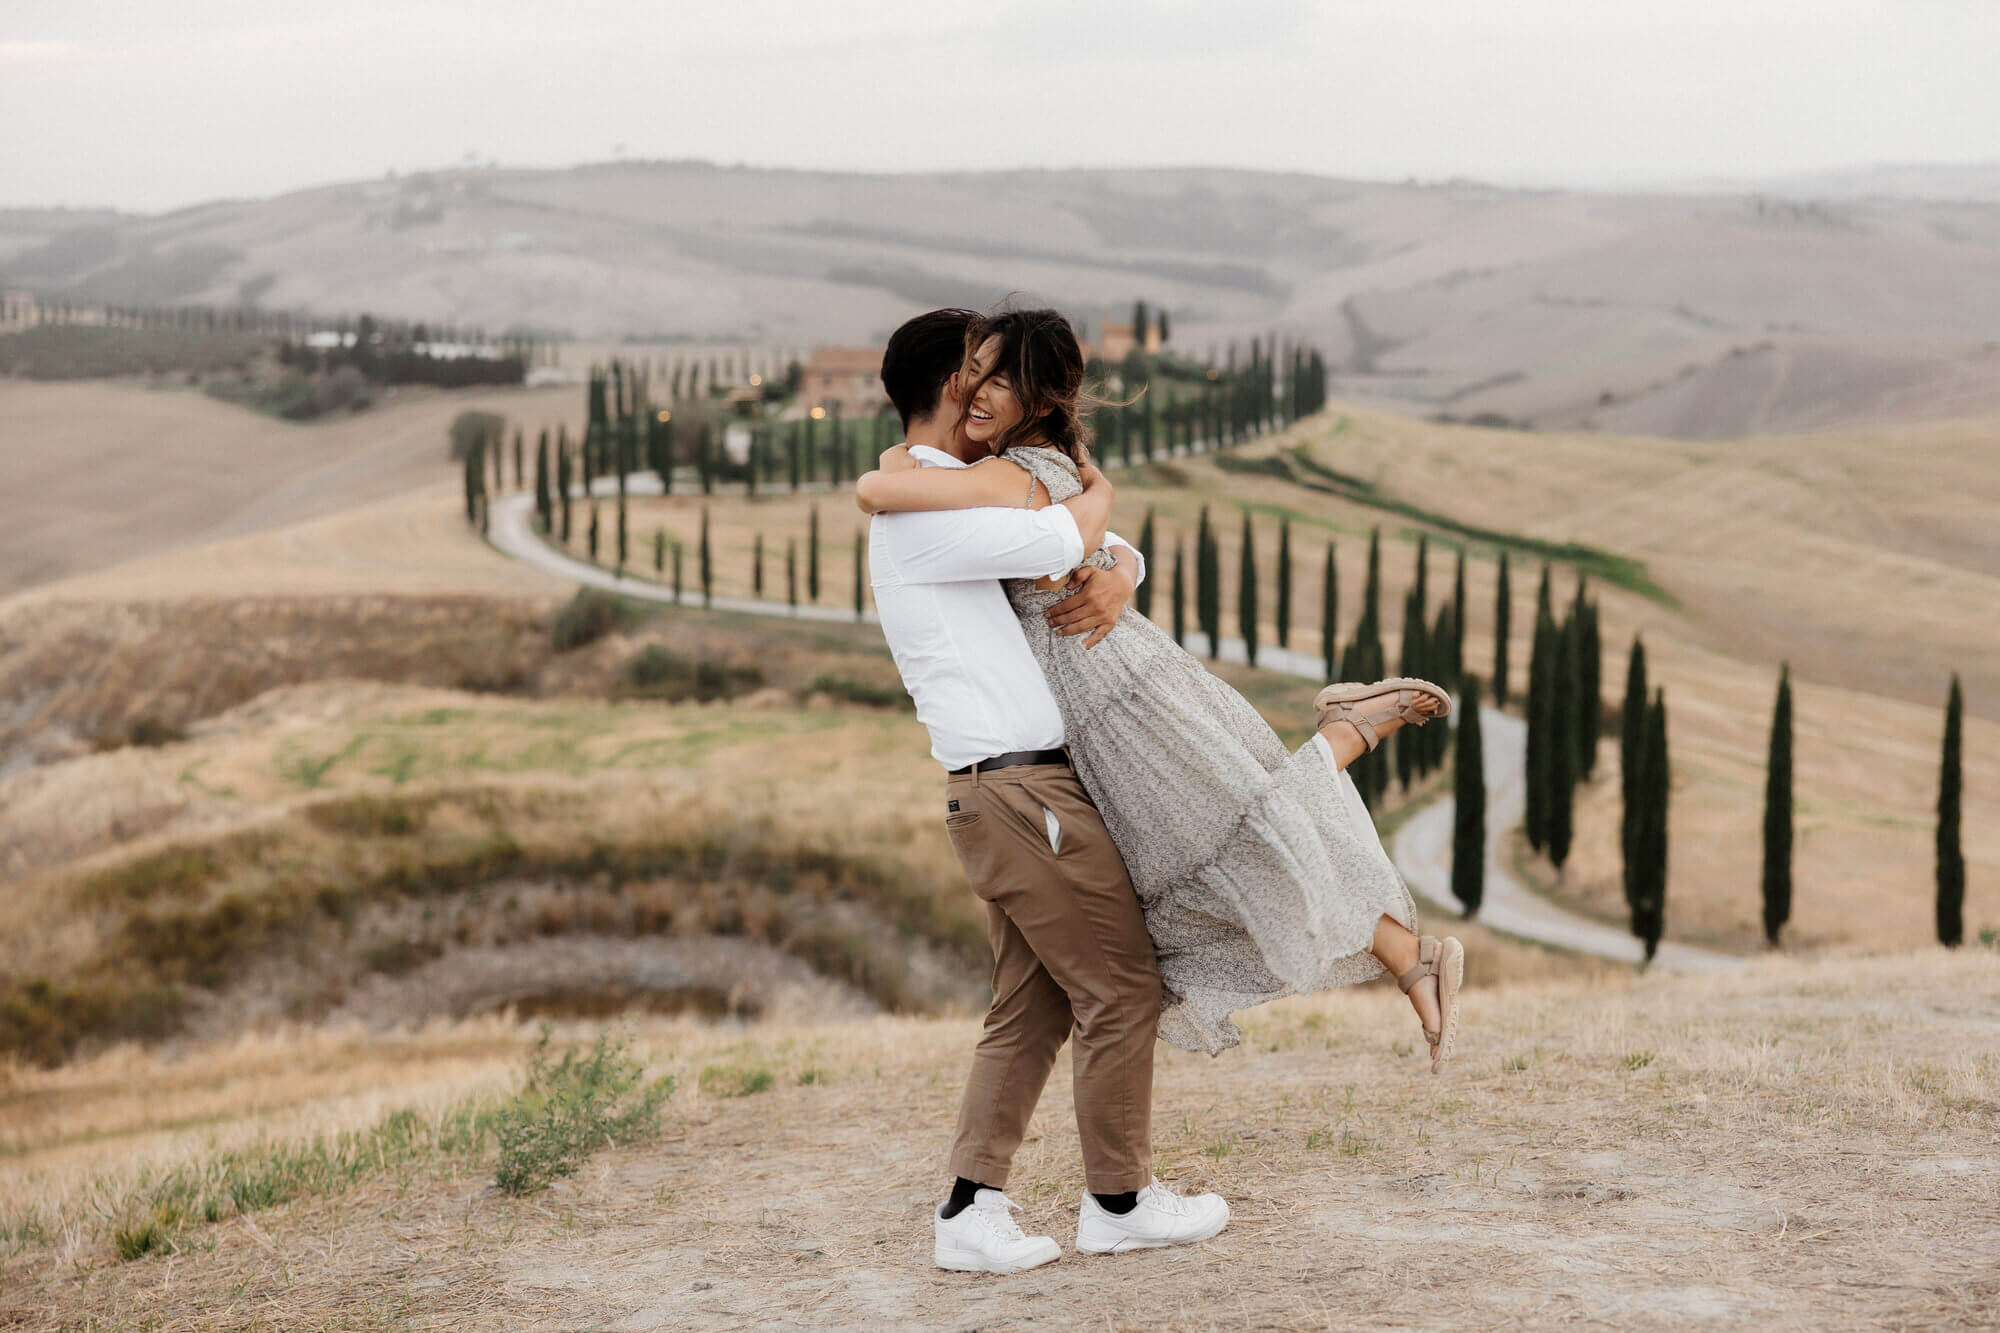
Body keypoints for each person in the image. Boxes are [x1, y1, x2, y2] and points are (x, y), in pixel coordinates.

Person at [857, 307, 1464, 1071]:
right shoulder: (1029, 470)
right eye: (977, 372)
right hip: (1093, 695)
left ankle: (1356, 768)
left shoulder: (1010, 473)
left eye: (1000, 378)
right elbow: (1097, 540)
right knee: (1230, 842)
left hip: (1115, 689)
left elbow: (1014, 523)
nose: (979, 389)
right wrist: (1111, 539)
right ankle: (1402, 928)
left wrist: (876, 477)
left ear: (1038, 397)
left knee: (1240, 836)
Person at [870, 309, 1231, 1276]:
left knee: (1030, 1009)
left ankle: (969, 1207)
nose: (989, 386)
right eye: (976, 369)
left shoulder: (932, 495)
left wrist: (1119, 561)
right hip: (1021, 792)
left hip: (1013, 790)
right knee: (1122, 986)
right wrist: (1100, 494)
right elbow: (1049, 537)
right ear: (951, 384)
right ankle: (1118, 1201)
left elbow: (1073, 552)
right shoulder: (915, 506)